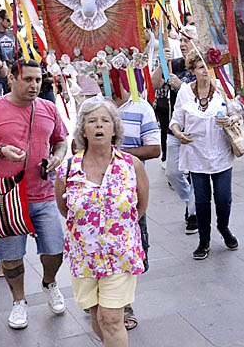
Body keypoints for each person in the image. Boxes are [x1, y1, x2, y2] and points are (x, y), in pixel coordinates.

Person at [0, 59, 69, 330]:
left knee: (55, 249)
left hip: (44, 193)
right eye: (28, 79)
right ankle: (19, 301)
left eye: (38, 80)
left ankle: (50, 283)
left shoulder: (48, 108)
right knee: (11, 256)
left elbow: (60, 141)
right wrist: (1, 151)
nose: (34, 85)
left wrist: (57, 158)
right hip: (8, 195)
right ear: (12, 78)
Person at [55, 99, 148, 347]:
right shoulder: (67, 169)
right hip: (84, 255)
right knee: (97, 317)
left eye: (105, 121)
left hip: (120, 253)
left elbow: (140, 207)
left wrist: (115, 231)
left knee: (112, 317)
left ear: (114, 129)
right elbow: (65, 210)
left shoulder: (131, 165)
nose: (99, 126)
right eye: (92, 121)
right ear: (83, 129)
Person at [169, 49, 239, 260]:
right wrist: (178, 133)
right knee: (201, 200)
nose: (205, 72)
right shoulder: (185, 93)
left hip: (221, 154)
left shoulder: (223, 90)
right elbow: (175, 120)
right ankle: (204, 240)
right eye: (200, 67)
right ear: (192, 71)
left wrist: (232, 119)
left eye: (208, 67)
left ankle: (223, 227)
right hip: (196, 153)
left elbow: (237, 112)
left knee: (224, 199)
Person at [112, 85, 160, 330]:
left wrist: (116, 155)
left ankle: (123, 302)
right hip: (95, 196)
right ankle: (110, 302)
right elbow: (79, 148)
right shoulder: (93, 105)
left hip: (128, 192)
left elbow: (154, 149)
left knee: (131, 251)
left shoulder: (141, 107)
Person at [152, 27, 197, 234]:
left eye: (187, 39)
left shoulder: (205, 66)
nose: (182, 43)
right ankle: (191, 202)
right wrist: (163, 63)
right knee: (172, 172)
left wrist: (182, 87)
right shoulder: (175, 64)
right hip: (175, 129)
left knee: (197, 173)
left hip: (198, 131)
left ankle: (194, 214)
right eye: (180, 40)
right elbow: (154, 84)